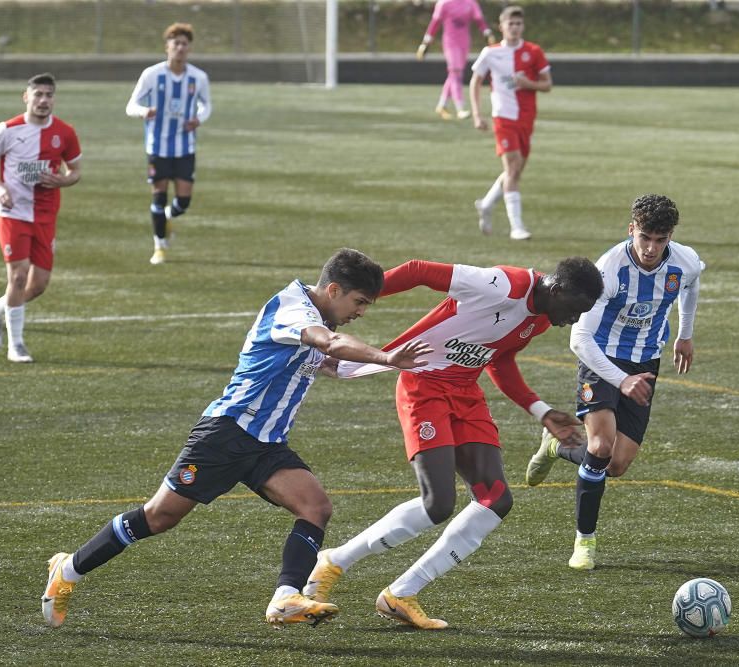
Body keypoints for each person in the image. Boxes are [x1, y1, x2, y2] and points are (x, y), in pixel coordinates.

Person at [41, 249, 433, 629]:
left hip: (265, 444)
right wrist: (384, 358)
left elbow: (328, 361)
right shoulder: (293, 310)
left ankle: (285, 597)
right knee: (159, 517)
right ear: (333, 290)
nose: (361, 312)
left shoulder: (317, 318)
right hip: (225, 434)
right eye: (359, 302)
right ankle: (69, 567)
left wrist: (394, 364)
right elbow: (327, 345)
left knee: (315, 507)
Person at [302, 257, 603, 629]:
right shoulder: (501, 284)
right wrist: (357, 300)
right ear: (557, 290)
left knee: (496, 499)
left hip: (464, 392)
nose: (571, 320)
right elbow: (417, 270)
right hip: (424, 383)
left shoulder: (540, 317)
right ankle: (333, 562)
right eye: (574, 310)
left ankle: (402, 593)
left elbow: (499, 359)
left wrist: (540, 410)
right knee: (438, 502)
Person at [524, 194, 705, 570]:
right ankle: (584, 543)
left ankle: (558, 447)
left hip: (646, 362)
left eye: (661, 239)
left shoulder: (684, 261)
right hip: (602, 358)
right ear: (631, 231)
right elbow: (579, 339)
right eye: (645, 238)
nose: (652, 248)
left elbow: (691, 285)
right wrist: (620, 380)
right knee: (601, 445)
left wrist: (685, 334)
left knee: (618, 463)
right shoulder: (609, 269)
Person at [0, 72, 82, 364]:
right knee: (18, 277)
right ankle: (17, 345)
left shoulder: (65, 133)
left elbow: (75, 171)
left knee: (38, 285)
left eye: (49, 95)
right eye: (38, 94)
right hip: (13, 212)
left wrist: (61, 181)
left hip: (45, 216)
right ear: (27, 97)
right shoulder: (7, 130)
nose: (43, 100)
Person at [126, 22, 211, 265]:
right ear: (167, 47)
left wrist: (199, 119)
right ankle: (159, 246)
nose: (180, 47)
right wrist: (144, 111)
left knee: (183, 202)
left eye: (185, 44)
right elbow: (130, 105)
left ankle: (166, 218)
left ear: (189, 48)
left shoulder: (198, 77)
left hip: (185, 147)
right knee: (158, 195)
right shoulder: (152, 75)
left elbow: (207, 105)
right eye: (176, 43)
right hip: (157, 147)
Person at [468, 6, 551, 241]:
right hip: (503, 117)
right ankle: (517, 227)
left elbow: (547, 84)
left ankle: (485, 204)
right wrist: (476, 114)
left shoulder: (533, 51)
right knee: (513, 169)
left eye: (518, 24)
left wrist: (527, 83)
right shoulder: (490, 53)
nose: (514, 28)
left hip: (526, 118)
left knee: (514, 171)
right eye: (510, 24)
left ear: (522, 26)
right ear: (501, 26)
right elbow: (475, 82)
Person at [416, 0, 494, 120]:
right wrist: (425, 43)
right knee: (456, 73)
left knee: (454, 74)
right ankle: (460, 108)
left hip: (464, 43)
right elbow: (435, 23)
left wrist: (487, 34)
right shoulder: (444, 3)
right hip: (450, 43)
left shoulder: (471, 3)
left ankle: (442, 105)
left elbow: (479, 20)